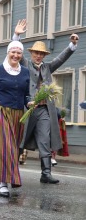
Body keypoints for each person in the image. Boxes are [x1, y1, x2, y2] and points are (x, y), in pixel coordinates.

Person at [14, 19, 79, 184]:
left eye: (41, 54)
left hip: (44, 110)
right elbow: (15, 52)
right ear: (31, 53)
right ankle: (11, 170)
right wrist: (17, 36)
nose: (38, 56)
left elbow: (61, 59)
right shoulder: (25, 64)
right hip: (26, 110)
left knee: (44, 139)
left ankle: (46, 173)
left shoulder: (47, 67)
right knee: (20, 140)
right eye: (36, 53)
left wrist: (71, 45)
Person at [0, 40, 30, 197]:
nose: (16, 55)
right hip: (0, 112)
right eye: (13, 51)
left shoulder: (25, 72)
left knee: (14, 148)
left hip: (18, 115)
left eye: (19, 52)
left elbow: (26, 94)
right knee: (5, 147)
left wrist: (30, 102)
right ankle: (4, 182)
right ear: (7, 52)